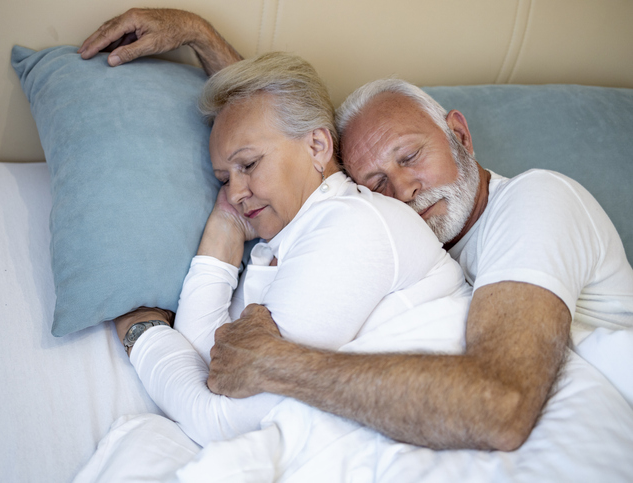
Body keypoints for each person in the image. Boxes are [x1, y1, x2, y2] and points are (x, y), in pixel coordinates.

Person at [79, 8, 633, 451]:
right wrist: (200, 36)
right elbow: (287, 142)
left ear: (460, 135)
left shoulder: (535, 203)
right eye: (376, 180)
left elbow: (501, 408)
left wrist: (282, 365)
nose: (403, 189)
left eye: (411, 155)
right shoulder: (390, 224)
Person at [106, 51, 470, 448]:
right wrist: (222, 235)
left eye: (248, 164)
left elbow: (220, 420)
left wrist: (143, 332)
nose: (235, 194)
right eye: (223, 179)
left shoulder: (354, 225)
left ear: (316, 145)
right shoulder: (288, 238)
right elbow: (208, 362)